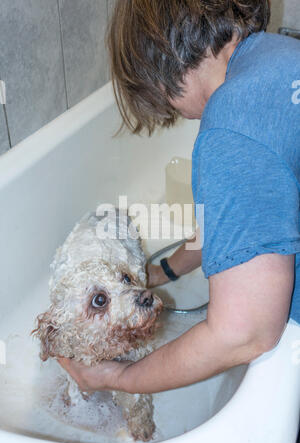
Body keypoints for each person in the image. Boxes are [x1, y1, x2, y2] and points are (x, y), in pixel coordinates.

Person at [58, 0, 300, 395]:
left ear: (155, 66)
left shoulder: (230, 132)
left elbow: (245, 333)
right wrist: (167, 271)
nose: (173, 110)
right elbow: (244, 217)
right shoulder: (278, 56)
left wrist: (118, 377)